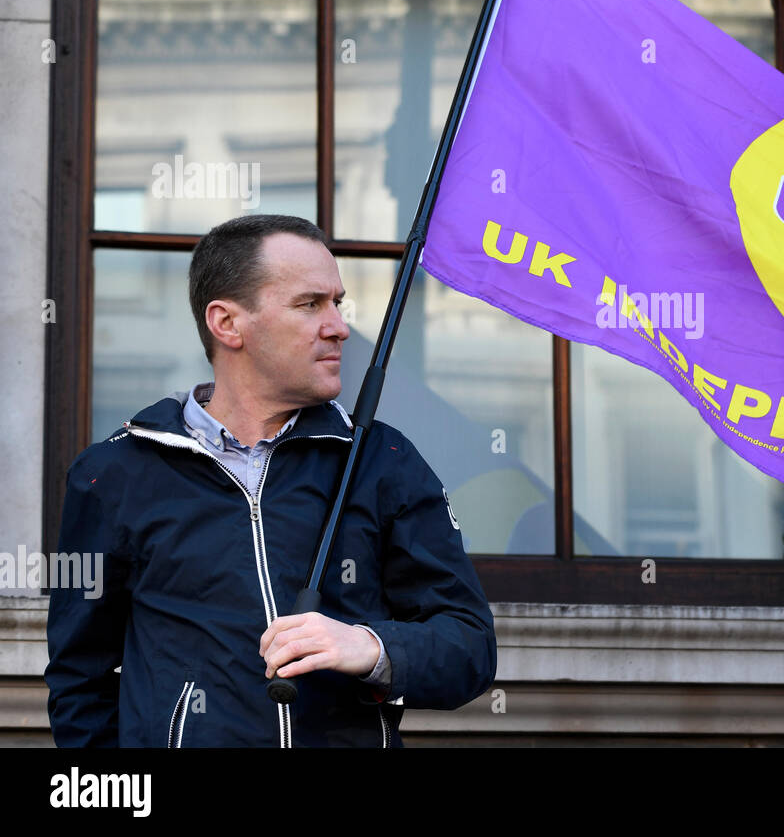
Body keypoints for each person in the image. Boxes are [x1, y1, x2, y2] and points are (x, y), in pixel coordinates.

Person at [44, 214, 496, 747]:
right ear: (228, 323)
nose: (338, 326)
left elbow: (470, 646)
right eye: (310, 305)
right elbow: (80, 682)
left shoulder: (383, 459)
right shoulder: (114, 473)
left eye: (338, 303)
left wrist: (372, 648)